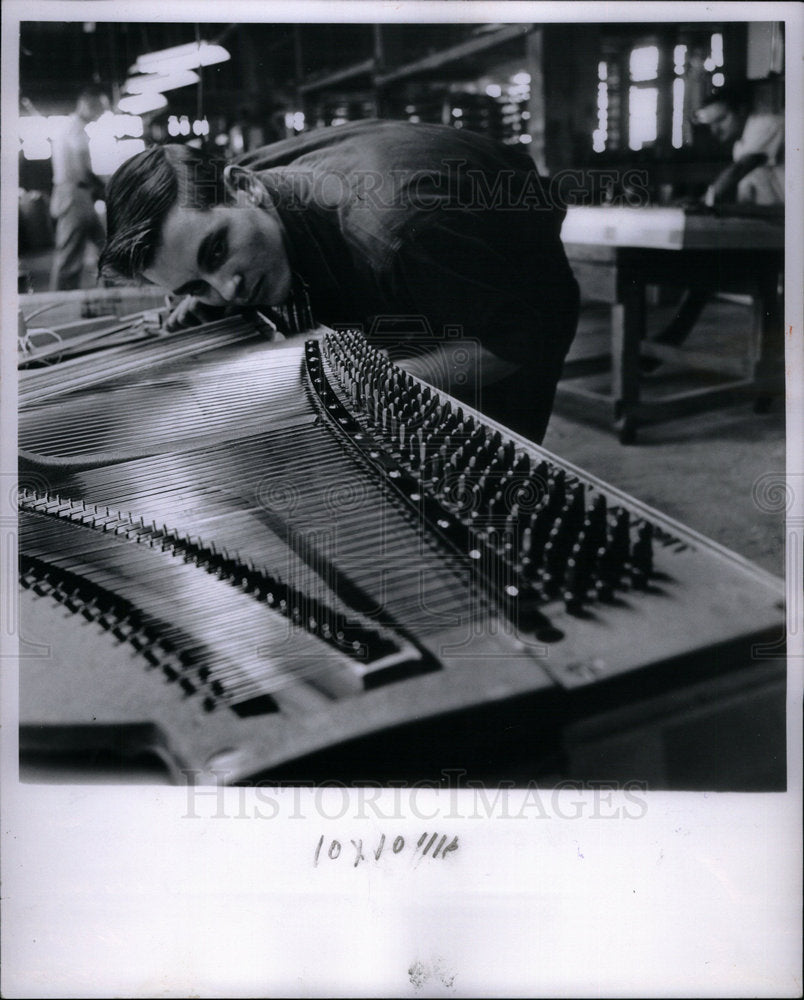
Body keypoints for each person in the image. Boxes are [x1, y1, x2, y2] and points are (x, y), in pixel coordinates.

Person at [99, 119, 579, 442]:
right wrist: (199, 301)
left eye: (217, 251)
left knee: (482, 482)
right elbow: (216, 275)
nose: (228, 290)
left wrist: (366, 383)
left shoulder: (401, 234)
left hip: (505, 263)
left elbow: (517, 341)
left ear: (245, 187)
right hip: (419, 227)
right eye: (194, 285)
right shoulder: (241, 195)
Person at [643, 86, 784, 368]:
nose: (716, 131)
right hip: (772, 224)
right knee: (708, 272)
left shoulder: (766, 124)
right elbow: (746, 192)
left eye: (721, 121)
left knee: (720, 273)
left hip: (787, 225)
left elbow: (739, 170)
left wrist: (708, 201)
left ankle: (668, 342)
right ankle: (668, 342)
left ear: (742, 111)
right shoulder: (741, 142)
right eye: (711, 125)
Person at [49, 85, 110, 291]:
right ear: (86, 105)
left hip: (79, 194)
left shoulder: (74, 127)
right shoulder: (75, 128)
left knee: (104, 244)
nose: (100, 114)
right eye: (99, 108)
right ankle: (59, 301)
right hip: (74, 195)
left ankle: (114, 287)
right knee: (70, 252)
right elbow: (84, 164)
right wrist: (106, 183)